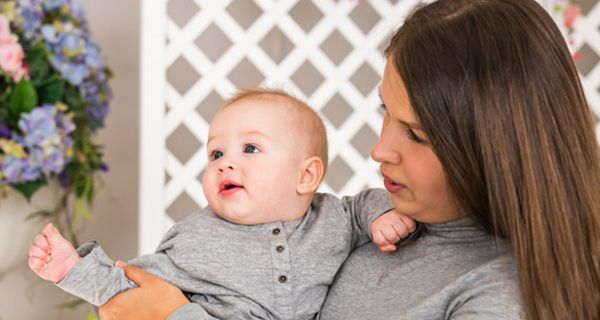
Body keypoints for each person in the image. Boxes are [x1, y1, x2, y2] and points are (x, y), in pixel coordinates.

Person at [93, 0, 600, 319]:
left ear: (495, 148)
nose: (380, 149)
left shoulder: (500, 296)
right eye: (385, 111)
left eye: (416, 134)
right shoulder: (366, 228)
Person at [28, 88, 416, 319]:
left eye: (250, 148)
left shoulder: (336, 216)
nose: (225, 162)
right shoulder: (195, 238)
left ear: (306, 176)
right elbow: (131, 285)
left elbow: (366, 202)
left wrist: (382, 216)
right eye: (215, 154)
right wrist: (73, 270)